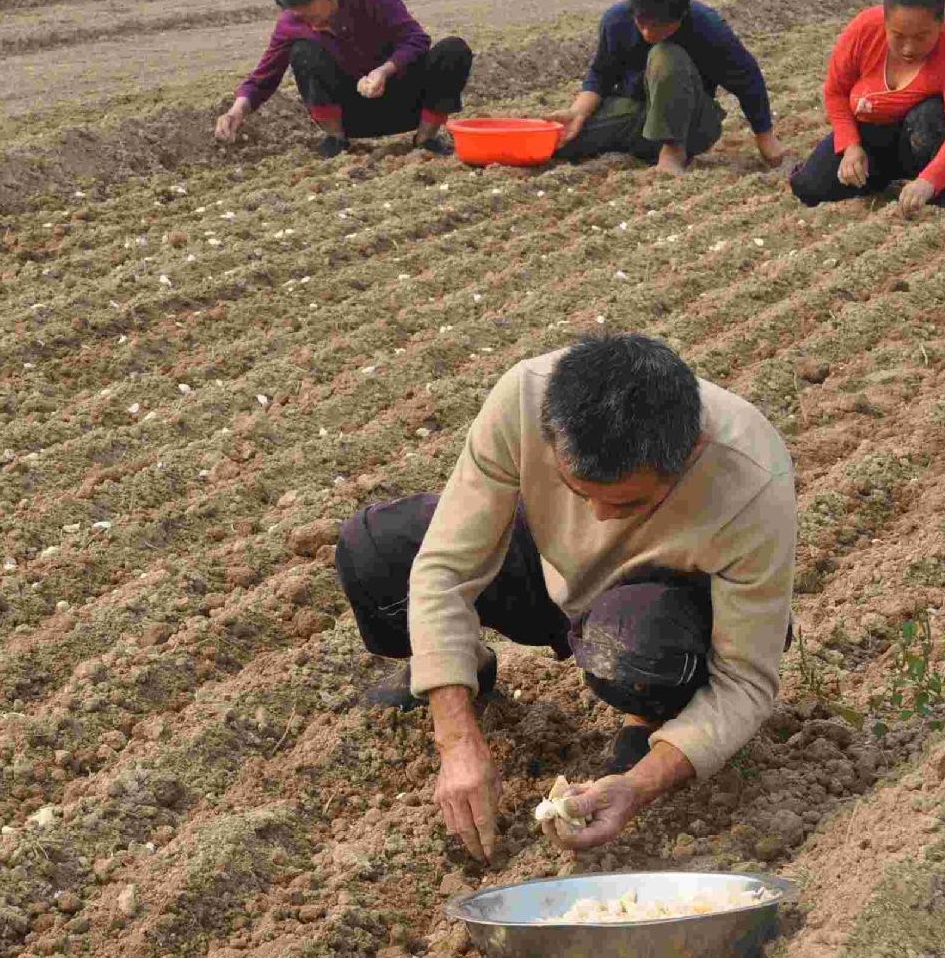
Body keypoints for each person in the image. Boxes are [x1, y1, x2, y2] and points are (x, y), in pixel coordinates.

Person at [332, 334, 796, 862]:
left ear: (689, 455)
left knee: (636, 647)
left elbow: (745, 680)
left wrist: (639, 785)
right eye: (580, 493)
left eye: (627, 503)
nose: (597, 517)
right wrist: (457, 740)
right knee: (375, 550)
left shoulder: (751, 483)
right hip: (550, 572)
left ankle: (650, 717)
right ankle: (465, 669)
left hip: (656, 608)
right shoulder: (526, 398)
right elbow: (446, 566)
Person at [214, 0, 472, 159]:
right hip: (351, 114)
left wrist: (384, 71)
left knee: (453, 50)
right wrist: (235, 112)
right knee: (303, 52)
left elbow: (415, 39)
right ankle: (336, 142)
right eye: (298, 14)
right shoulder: (291, 23)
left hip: (407, 100)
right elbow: (263, 77)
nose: (307, 21)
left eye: (310, 11)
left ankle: (425, 141)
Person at [790, 0, 945, 217]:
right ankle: (882, 180)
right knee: (809, 188)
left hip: (921, 138)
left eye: (921, 37)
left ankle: (933, 189)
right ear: (884, 22)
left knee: (929, 119)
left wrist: (929, 181)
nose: (908, 48)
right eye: (898, 35)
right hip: (872, 132)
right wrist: (850, 146)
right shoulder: (863, 30)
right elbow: (836, 92)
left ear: (942, 24)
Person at [551, 0, 783, 177]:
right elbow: (601, 73)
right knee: (560, 140)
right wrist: (578, 112)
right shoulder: (616, 20)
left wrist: (765, 138)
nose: (648, 33)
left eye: (660, 26)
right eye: (642, 23)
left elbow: (748, 79)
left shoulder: (707, 27)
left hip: (693, 124)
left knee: (665, 55)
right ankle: (640, 144)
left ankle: (672, 151)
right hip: (640, 115)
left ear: (681, 15)